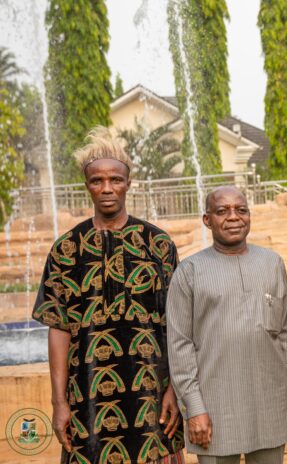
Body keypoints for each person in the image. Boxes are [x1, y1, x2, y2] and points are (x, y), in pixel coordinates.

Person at [32, 127, 184, 463]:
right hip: (87, 398)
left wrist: (176, 388)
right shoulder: (66, 249)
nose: (106, 188)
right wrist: (59, 403)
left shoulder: (158, 244)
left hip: (152, 395)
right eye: (97, 180)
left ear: (128, 183)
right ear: (87, 185)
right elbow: (58, 330)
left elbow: (177, 325)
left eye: (115, 179)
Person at [166, 186, 287, 464]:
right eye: (222, 211)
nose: (233, 217)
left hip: (268, 403)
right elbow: (179, 346)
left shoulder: (272, 264)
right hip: (214, 408)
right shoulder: (189, 272)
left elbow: (284, 332)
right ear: (207, 220)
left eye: (241, 210)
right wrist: (194, 407)